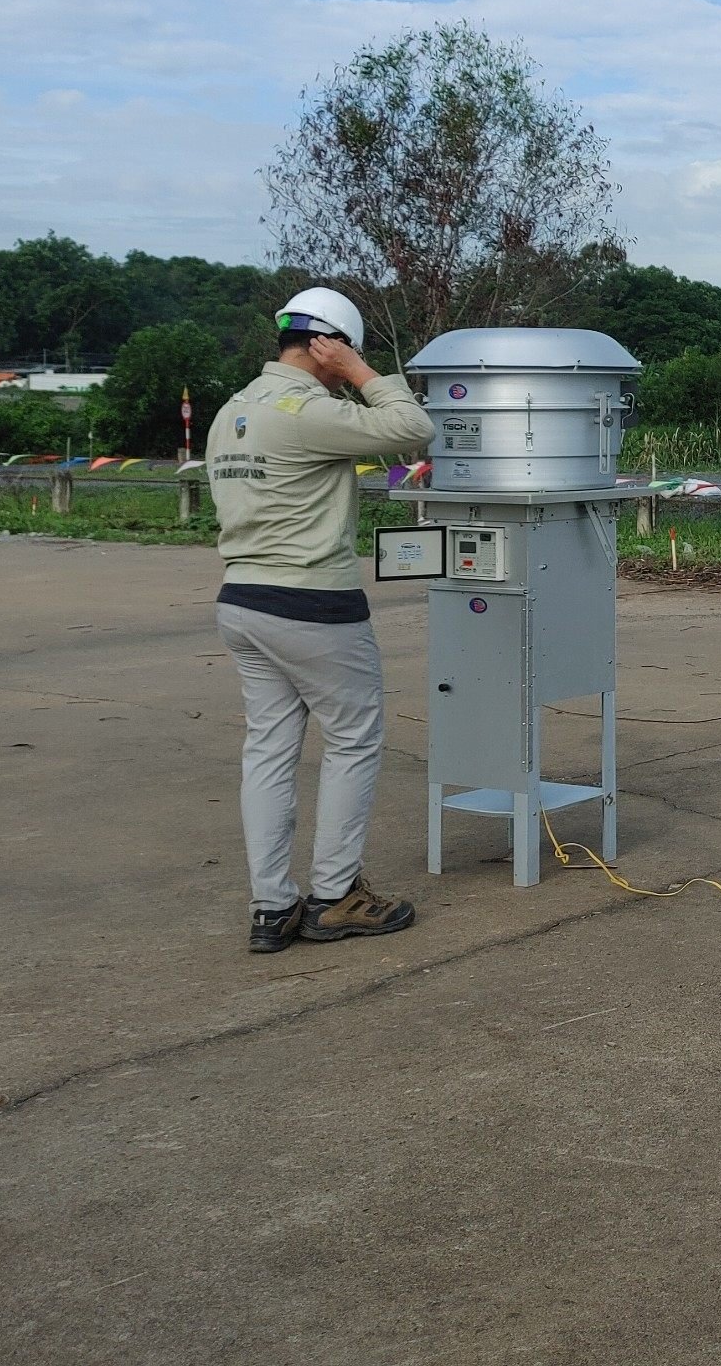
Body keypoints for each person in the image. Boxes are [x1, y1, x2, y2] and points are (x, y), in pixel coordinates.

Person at [207, 286, 436, 952]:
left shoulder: (233, 410)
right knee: (353, 740)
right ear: (323, 344)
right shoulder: (305, 410)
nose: (352, 362)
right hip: (311, 604)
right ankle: (335, 897)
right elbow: (412, 430)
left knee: (269, 753)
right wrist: (361, 375)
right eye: (347, 348)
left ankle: (271, 908)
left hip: (243, 602)